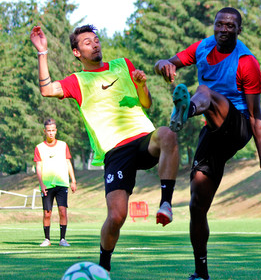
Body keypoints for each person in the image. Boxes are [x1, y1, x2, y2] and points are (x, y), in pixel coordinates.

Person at [30, 25, 179, 272]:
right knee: (117, 216)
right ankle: (103, 269)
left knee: (167, 134)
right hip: (115, 151)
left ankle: (166, 203)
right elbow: (46, 90)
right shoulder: (77, 81)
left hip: (142, 138)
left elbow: (147, 103)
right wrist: (42, 52)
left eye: (96, 40)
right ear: (77, 52)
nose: (95, 44)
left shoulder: (123, 64)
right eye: (87, 42)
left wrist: (141, 85)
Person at [154, 7, 261, 280]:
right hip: (213, 132)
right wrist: (163, 65)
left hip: (237, 126)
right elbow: (167, 62)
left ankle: (185, 111)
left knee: (204, 91)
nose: (224, 29)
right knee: (196, 205)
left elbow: (256, 116)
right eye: (219, 24)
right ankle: (201, 273)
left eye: (230, 25)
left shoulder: (247, 62)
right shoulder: (203, 47)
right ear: (213, 25)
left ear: (239, 30)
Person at [34, 118, 77, 247]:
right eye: (48, 131)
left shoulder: (63, 145)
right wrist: (41, 184)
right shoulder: (39, 148)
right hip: (47, 185)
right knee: (47, 213)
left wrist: (73, 180)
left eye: (53, 130)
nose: (51, 133)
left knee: (62, 211)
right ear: (44, 131)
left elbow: (68, 162)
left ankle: (62, 239)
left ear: (56, 131)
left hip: (62, 183)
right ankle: (47, 239)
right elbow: (38, 167)